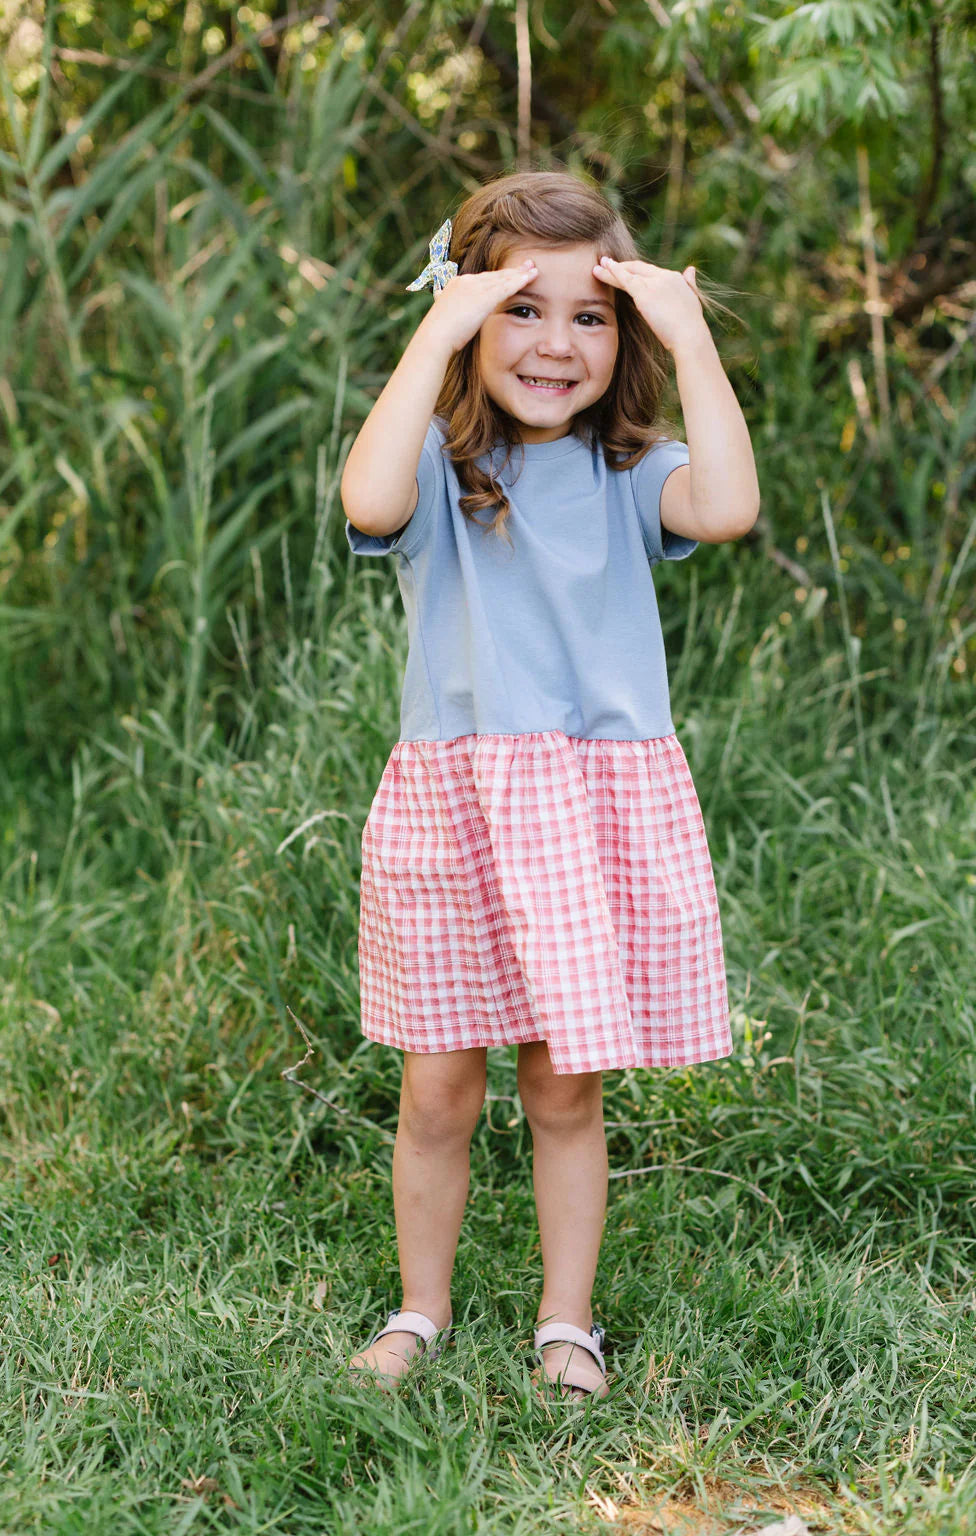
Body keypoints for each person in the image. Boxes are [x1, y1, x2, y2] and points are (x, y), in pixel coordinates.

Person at [339, 170, 759, 1402]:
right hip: (456, 809)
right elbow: (366, 497)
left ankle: (563, 1323)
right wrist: (438, 327)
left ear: (623, 336)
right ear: (469, 317)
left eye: (591, 315)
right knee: (437, 1084)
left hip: (593, 811)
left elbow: (728, 505)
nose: (556, 343)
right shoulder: (431, 469)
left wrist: (688, 333)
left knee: (563, 1083)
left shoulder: (632, 470)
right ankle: (420, 1308)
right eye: (522, 310)